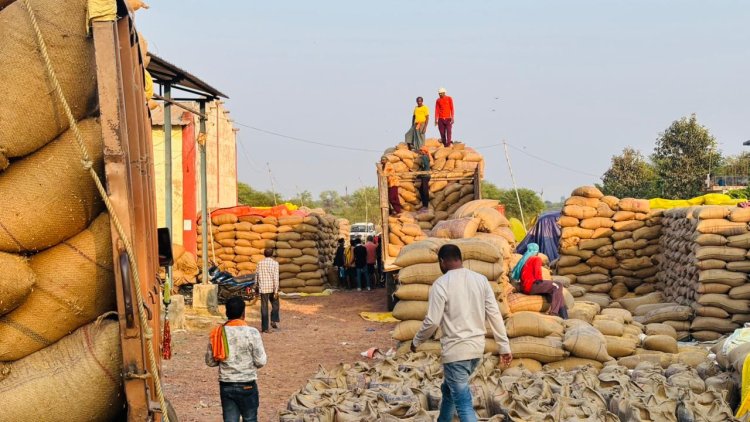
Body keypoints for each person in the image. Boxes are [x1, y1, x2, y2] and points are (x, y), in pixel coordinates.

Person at [411, 244, 512, 422]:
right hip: (476, 351)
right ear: (461, 259)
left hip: (456, 352)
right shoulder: (481, 280)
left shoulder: (441, 284)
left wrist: (416, 341)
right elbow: (494, 314)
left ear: (442, 262)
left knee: (464, 404)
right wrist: (504, 346)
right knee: (449, 390)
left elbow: (432, 321)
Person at [206, 296, 267, 422]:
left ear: (226, 313)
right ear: (243, 314)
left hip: (226, 385)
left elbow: (210, 361)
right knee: (250, 419)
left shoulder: (218, 333)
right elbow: (261, 361)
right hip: (247, 385)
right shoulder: (252, 333)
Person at [511, 243, 568, 319]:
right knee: (558, 285)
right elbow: (538, 275)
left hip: (525, 287)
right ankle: (554, 313)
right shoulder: (536, 259)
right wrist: (543, 282)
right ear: (537, 251)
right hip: (532, 285)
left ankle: (565, 317)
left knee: (557, 293)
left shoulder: (524, 260)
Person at [256, 248, 280, 333]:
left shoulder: (260, 263)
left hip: (263, 288)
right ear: (272, 254)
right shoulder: (275, 263)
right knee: (276, 305)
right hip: (272, 288)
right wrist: (276, 290)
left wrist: (256, 286)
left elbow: (257, 275)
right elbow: (276, 277)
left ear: (264, 254)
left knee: (264, 308)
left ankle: (265, 328)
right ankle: (273, 320)